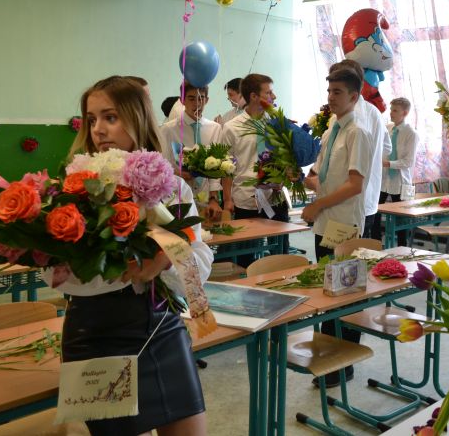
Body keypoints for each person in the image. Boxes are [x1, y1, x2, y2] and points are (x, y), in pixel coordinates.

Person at [45, 75, 212, 436]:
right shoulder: (74, 188)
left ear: (137, 118)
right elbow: (54, 275)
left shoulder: (172, 187)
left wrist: (163, 260)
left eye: (111, 117)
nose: (98, 129)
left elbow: (199, 264)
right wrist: (113, 264)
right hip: (95, 335)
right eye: (92, 119)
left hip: (162, 330)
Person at [301, 65, 372, 387]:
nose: (331, 97)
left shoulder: (358, 133)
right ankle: (330, 358)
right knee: (328, 291)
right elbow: (321, 178)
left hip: (344, 223)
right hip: (324, 222)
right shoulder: (331, 131)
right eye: (329, 91)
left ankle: (344, 363)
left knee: (345, 293)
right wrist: (300, 177)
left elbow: (355, 184)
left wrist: (318, 204)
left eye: (338, 92)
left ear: (354, 97)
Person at [221, 73, 291, 267]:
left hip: (275, 196)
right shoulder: (232, 128)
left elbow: (286, 157)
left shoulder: (276, 124)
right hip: (247, 199)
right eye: (269, 92)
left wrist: (286, 174)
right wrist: (227, 200)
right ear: (253, 96)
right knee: (246, 255)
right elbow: (226, 167)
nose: (274, 97)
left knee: (280, 253)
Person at [327, 60, 391, 239]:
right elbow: (387, 148)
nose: (331, 95)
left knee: (339, 254)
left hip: (347, 205)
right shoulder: (374, 112)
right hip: (367, 198)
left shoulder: (349, 117)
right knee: (355, 252)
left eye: (337, 89)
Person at [161, 81, 224, 221]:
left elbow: (217, 169)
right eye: (191, 98)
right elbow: (163, 166)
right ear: (182, 100)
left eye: (201, 98)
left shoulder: (215, 129)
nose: (197, 104)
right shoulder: (168, 130)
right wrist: (176, 172)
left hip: (206, 199)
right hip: (178, 199)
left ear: (207, 100)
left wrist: (214, 199)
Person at [370, 97, 419, 245]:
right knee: (374, 212)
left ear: (405, 113)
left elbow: (408, 162)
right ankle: (376, 244)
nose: (391, 113)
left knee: (402, 219)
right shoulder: (388, 128)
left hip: (400, 182)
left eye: (395, 110)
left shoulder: (411, 133)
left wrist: (387, 163)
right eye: (391, 110)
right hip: (383, 179)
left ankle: (402, 247)